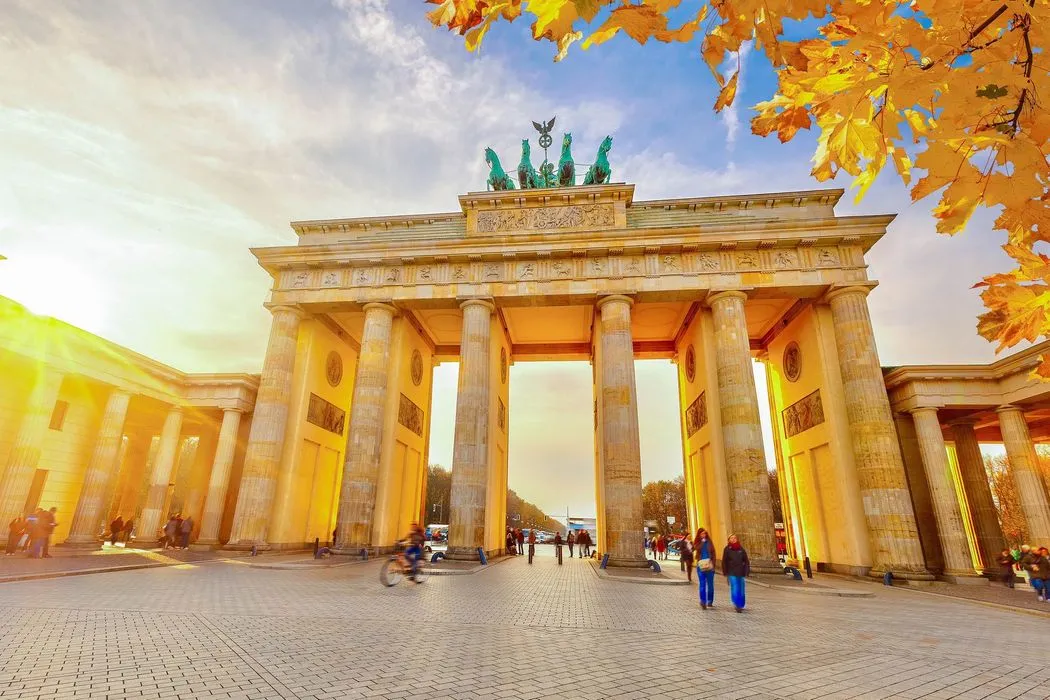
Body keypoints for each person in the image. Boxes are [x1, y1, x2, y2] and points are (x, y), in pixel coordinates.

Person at [722, 534, 750, 612]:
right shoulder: (727, 549)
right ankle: (737, 604)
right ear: (729, 540)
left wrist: (747, 570)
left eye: (735, 538)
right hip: (732, 571)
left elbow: (746, 560)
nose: (734, 539)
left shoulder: (741, 549)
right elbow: (724, 561)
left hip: (741, 571)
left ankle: (741, 604)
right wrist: (725, 572)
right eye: (732, 538)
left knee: (741, 588)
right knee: (735, 587)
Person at [695, 528, 716, 609]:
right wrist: (702, 542)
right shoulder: (697, 542)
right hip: (700, 566)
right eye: (702, 534)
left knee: (710, 585)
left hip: (710, 566)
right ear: (699, 535)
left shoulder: (710, 542)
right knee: (702, 584)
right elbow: (697, 549)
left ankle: (710, 601)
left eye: (705, 533)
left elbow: (713, 553)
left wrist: (713, 564)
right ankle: (703, 601)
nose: (704, 535)